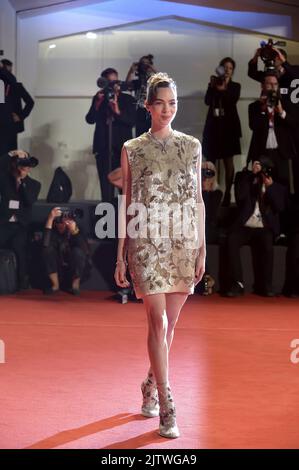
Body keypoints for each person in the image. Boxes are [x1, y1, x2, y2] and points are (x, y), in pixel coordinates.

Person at [114, 72, 206, 438]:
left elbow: (198, 199)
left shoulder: (192, 146)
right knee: (158, 323)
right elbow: (127, 202)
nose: (167, 110)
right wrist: (121, 255)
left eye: (173, 103)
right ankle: (167, 404)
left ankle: (151, 382)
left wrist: (201, 247)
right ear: (148, 107)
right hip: (146, 241)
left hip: (183, 241)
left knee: (171, 325)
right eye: (160, 103)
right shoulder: (132, 148)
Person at [223, 158, 287, 297]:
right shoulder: (244, 178)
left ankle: (266, 286)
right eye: (254, 164)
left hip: (264, 227)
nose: (256, 167)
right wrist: (251, 179)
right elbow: (240, 198)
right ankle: (237, 283)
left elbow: (279, 207)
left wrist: (269, 188)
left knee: (267, 244)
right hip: (245, 225)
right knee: (232, 239)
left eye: (260, 165)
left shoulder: (278, 186)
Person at [85, 67, 136, 202]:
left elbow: (132, 122)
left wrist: (117, 111)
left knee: (124, 189)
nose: (113, 85)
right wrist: (97, 104)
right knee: (105, 189)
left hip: (122, 150)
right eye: (109, 82)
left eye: (115, 82)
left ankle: (124, 220)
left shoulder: (128, 99)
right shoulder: (99, 98)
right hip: (103, 150)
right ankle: (107, 220)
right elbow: (90, 119)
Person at [202, 57, 242, 206]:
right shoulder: (213, 83)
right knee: (211, 161)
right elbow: (207, 101)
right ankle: (210, 192)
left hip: (229, 128)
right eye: (224, 67)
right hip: (213, 128)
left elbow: (231, 101)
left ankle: (227, 193)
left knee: (228, 161)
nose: (227, 70)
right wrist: (213, 87)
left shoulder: (235, 86)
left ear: (232, 71)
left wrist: (223, 88)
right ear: (220, 68)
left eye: (230, 68)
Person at [247, 73, 297, 189]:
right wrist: (263, 110)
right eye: (269, 84)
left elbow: (293, 124)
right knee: (261, 187)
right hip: (262, 153)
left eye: (275, 84)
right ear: (262, 86)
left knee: (283, 187)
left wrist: (281, 112)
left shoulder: (285, 104)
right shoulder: (255, 107)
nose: (273, 87)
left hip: (281, 152)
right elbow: (253, 126)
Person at [0, 149, 41, 289]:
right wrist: (12, 154)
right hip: (4, 223)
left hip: (20, 225)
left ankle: (22, 282)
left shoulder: (34, 184)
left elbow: (29, 200)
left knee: (20, 249)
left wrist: (21, 180)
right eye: (22, 164)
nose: (24, 167)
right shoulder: (5, 179)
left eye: (27, 165)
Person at [42, 207, 91, 295]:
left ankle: (75, 285)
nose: (62, 224)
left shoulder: (77, 229)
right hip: (57, 269)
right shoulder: (52, 230)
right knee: (47, 249)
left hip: (73, 270)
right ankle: (55, 285)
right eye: (59, 222)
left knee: (78, 252)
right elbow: (45, 244)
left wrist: (74, 232)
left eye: (64, 222)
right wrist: (50, 219)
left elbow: (85, 251)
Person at [0, 59, 35, 151]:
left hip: (10, 128)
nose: (9, 73)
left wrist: (20, 116)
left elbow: (30, 102)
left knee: (9, 157)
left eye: (10, 71)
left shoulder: (16, 86)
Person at [125, 54, 157, 136]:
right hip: (139, 110)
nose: (144, 65)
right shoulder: (137, 81)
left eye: (147, 63)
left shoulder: (153, 81)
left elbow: (164, 81)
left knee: (153, 136)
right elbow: (127, 85)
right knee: (140, 136)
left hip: (152, 111)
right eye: (143, 63)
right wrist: (131, 70)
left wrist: (152, 68)